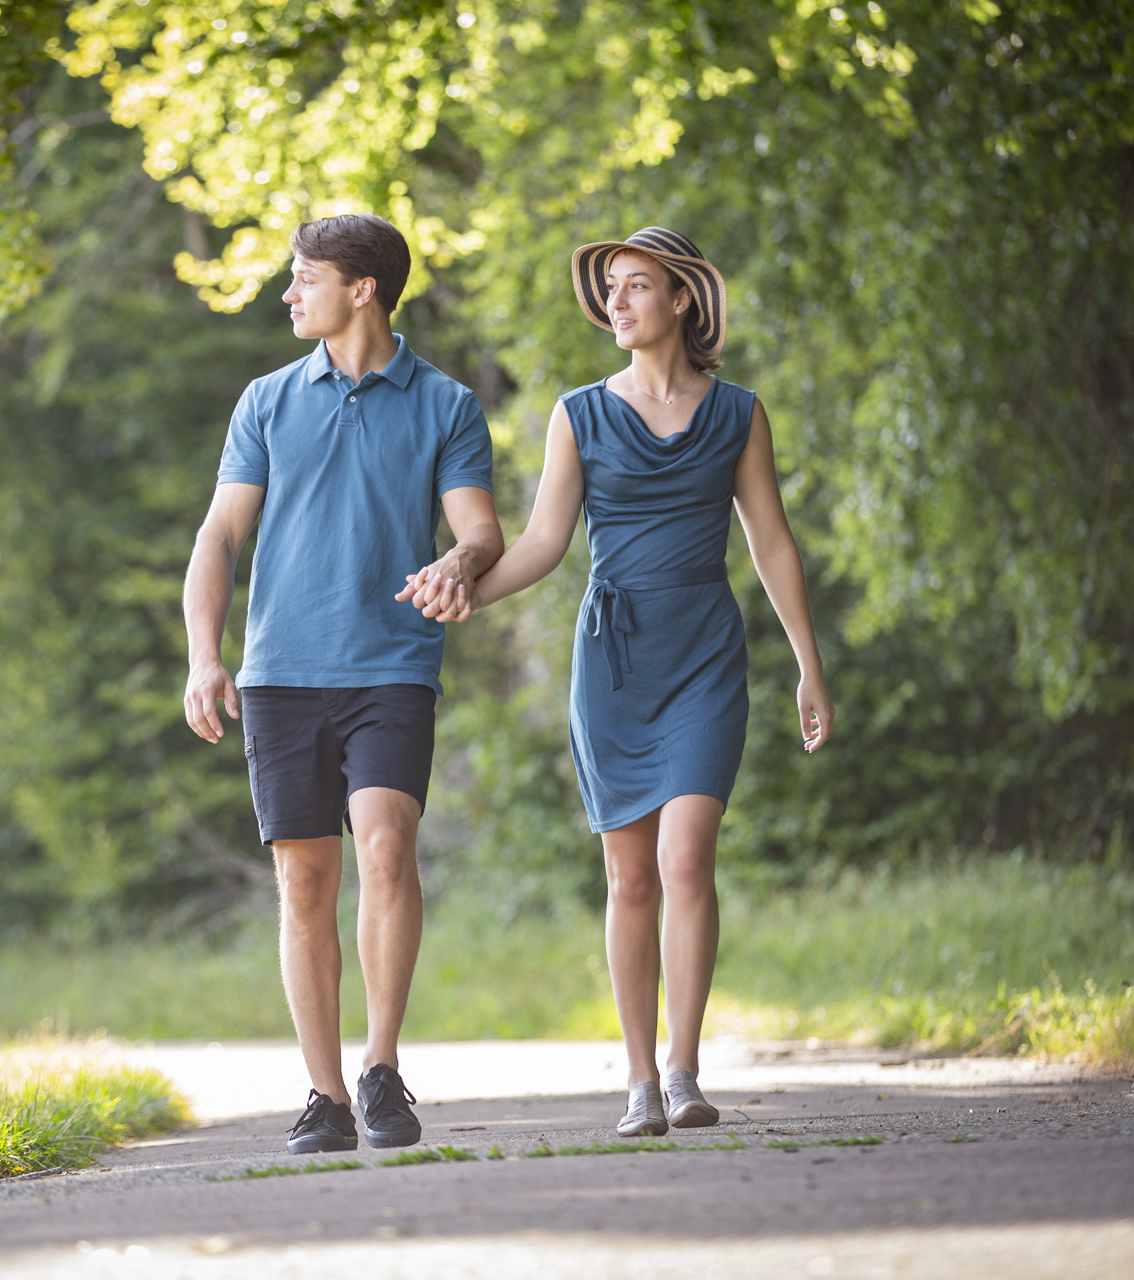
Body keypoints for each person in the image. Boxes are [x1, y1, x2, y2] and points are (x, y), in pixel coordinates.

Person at [399, 227, 831, 1137]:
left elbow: (772, 542)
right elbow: (546, 544)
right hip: (616, 661)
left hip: (705, 653)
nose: (618, 303)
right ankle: (639, 1081)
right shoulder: (578, 413)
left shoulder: (739, 412)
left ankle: (683, 1070)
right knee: (630, 877)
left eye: (638, 287)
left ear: (682, 299)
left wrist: (808, 664)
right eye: (611, 290)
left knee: (686, 858)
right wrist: (461, 585)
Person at [183, 214, 503, 1154]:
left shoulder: (444, 403)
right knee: (305, 879)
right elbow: (218, 536)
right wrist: (207, 654)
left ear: (362, 287)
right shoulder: (267, 400)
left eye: (304, 277)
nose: (288, 293)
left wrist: (459, 562)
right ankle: (323, 1094)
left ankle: (380, 1068)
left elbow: (479, 530)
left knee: (386, 847)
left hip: (391, 667)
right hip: (281, 672)